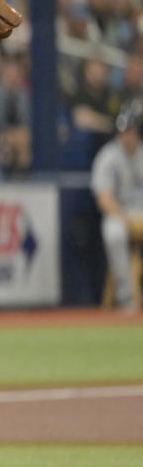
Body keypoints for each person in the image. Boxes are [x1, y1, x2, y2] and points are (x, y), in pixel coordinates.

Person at [91, 99, 143, 311]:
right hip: (120, 213)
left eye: (130, 131)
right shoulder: (108, 156)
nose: (126, 136)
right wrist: (125, 219)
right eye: (122, 132)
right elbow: (104, 198)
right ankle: (126, 297)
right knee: (114, 233)